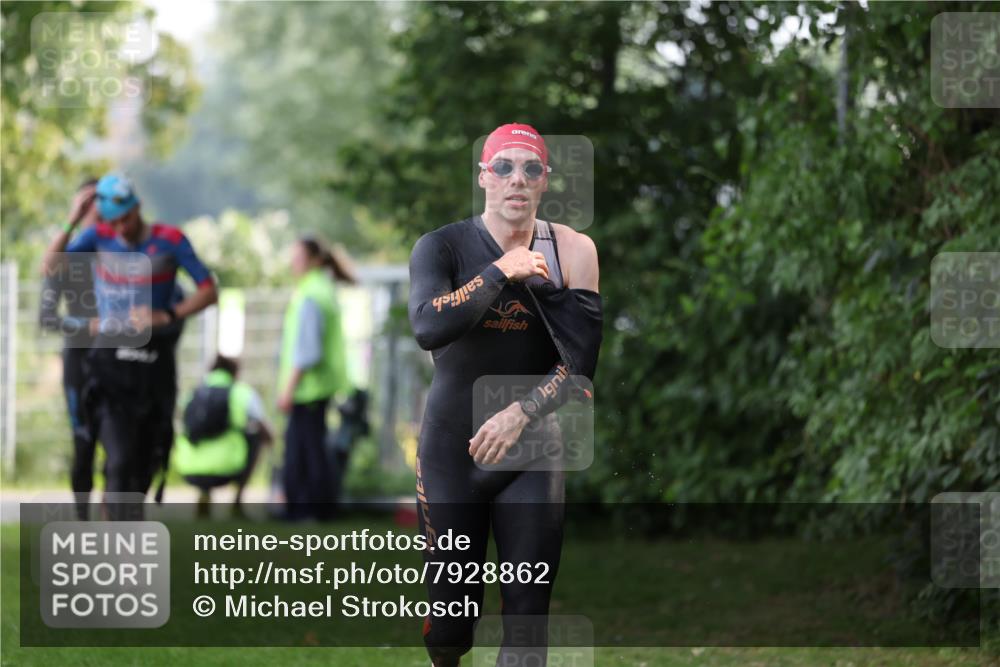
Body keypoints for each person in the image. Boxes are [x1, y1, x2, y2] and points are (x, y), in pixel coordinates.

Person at [408, 123, 603, 666]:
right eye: (504, 167)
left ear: (545, 181)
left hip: (532, 451)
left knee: (526, 619)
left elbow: (580, 365)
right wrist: (500, 271)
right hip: (451, 451)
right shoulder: (442, 246)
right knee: (449, 630)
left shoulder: (573, 250)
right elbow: (427, 327)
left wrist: (521, 413)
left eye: (531, 169)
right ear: (484, 177)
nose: (517, 179)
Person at [42, 172, 217, 517]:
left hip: (154, 369)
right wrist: (72, 219)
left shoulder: (170, 240)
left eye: (126, 218)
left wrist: (168, 314)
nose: (120, 227)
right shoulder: (98, 235)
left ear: (138, 207)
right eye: (113, 220)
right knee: (120, 460)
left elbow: (209, 290)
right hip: (110, 367)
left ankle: (121, 518)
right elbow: (49, 268)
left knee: (143, 468)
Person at [39, 178, 100, 520]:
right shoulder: (66, 254)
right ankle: (83, 518)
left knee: (124, 442)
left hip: (119, 359)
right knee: (84, 443)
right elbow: (47, 317)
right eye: (90, 203)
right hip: (80, 359)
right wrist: (85, 326)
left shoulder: (123, 251)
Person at [277, 236, 351, 521]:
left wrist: (288, 389)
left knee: (304, 453)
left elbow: (307, 351)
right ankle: (313, 509)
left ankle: (306, 510)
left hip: (307, 389)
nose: (292, 264)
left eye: (297, 258)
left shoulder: (310, 294)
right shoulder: (322, 289)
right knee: (313, 449)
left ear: (313, 261)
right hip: (316, 388)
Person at [174, 355, 273, 518]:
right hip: (230, 468)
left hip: (188, 469)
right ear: (235, 373)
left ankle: (204, 494)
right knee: (255, 436)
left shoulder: (193, 393)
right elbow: (266, 432)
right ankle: (237, 502)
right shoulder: (241, 393)